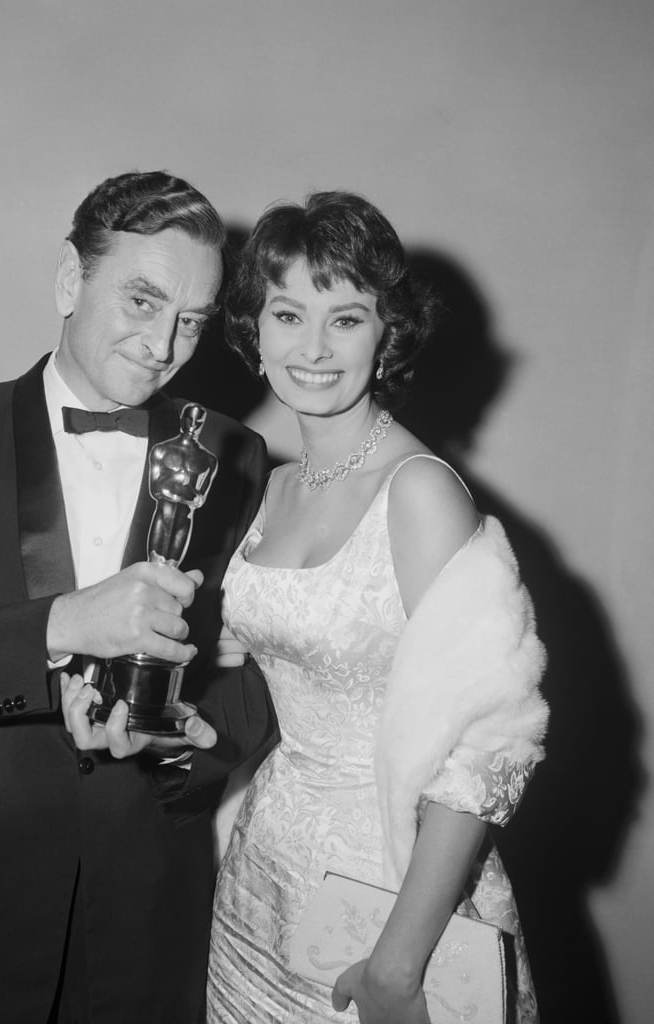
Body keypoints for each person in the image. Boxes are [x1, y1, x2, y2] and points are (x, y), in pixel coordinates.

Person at [0, 170, 277, 1024]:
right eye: (143, 302)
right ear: (71, 281)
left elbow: (255, 673)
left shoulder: (234, 455)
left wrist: (182, 748)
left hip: (148, 925)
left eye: (192, 320)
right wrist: (68, 624)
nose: (164, 344)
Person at [206, 191, 549, 1024]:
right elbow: (247, 675)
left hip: (393, 905)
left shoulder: (420, 492)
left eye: (346, 318)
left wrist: (398, 963)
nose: (312, 348)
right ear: (254, 332)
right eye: (287, 314)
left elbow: (488, 748)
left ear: (386, 334)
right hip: (259, 886)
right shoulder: (270, 485)